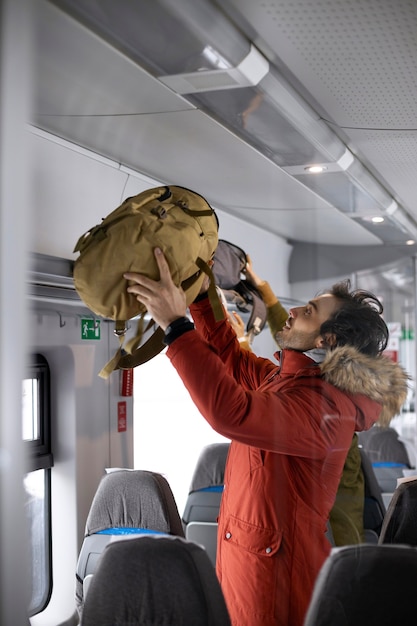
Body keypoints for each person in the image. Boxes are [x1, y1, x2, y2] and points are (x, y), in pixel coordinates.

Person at [124, 248, 408, 626]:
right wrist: (198, 295)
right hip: (248, 569)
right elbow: (228, 356)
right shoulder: (287, 380)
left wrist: (176, 326)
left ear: (327, 339)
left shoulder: (325, 409)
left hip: (277, 584)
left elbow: (231, 412)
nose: (292, 311)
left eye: (308, 311)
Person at [229, 257, 366, 546]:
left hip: (328, 538)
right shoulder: (328, 380)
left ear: (327, 342)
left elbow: (299, 336)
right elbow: (297, 335)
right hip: (321, 533)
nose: (295, 316)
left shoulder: (327, 403)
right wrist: (262, 291)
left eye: (309, 311)